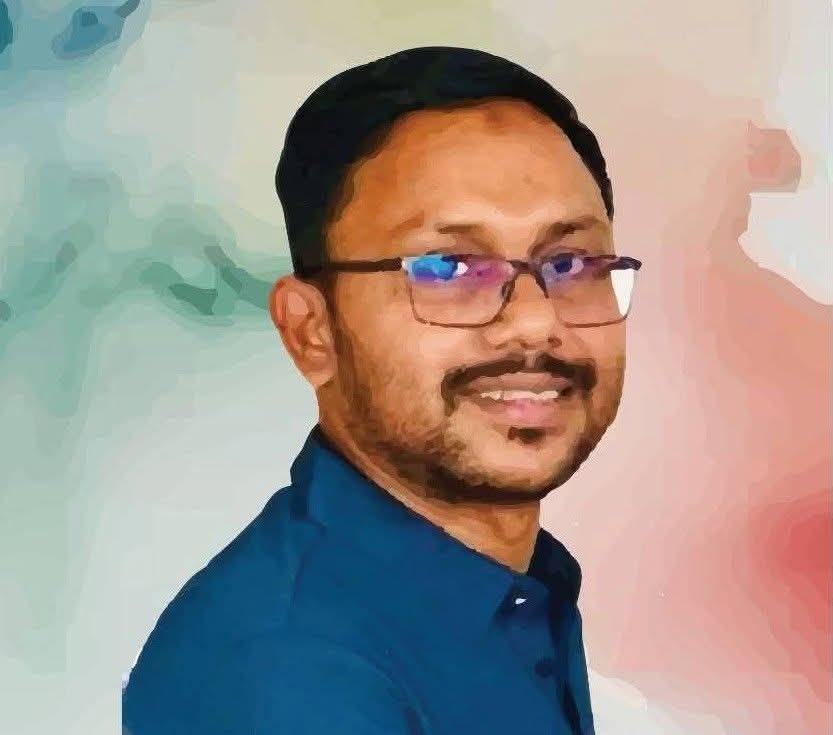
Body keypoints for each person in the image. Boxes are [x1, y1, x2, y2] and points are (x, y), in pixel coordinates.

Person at [122, 46, 642, 735]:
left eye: (570, 262)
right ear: (311, 330)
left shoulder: (506, 591)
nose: (534, 321)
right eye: (449, 267)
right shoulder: (287, 676)